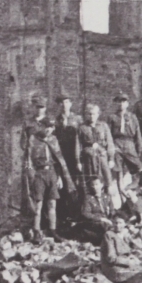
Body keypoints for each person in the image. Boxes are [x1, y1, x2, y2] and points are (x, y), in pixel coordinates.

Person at [25, 119, 75, 241]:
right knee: (38, 204)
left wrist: (58, 177)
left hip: (52, 173)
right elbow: (28, 159)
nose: (48, 129)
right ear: (41, 126)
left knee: (52, 203)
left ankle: (53, 231)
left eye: (51, 127)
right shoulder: (33, 139)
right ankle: (37, 231)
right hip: (39, 173)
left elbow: (58, 160)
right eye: (46, 126)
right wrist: (32, 176)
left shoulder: (53, 139)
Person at [108, 93, 142, 202]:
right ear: (115, 103)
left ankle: (135, 193)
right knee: (118, 172)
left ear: (127, 103)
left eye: (124, 101)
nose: (121, 104)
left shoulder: (132, 117)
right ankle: (122, 197)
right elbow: (108, 135)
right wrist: (111, 149)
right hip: (117, 144)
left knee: (139, 168)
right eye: (119, 101)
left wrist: (139, 150)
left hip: (129, 144)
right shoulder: (112, 117)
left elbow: (138, 134)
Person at [54, 94, 82, 226]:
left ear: (70, 104)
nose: (63, 105)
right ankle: (63, 216)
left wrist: (79, 159)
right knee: (62, 185)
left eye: (66, 102)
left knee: (75, 183)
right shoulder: (56, 120)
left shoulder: (77, 119)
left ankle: (76, 214)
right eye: (61, 103)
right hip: (61, 156)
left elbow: (81, 138)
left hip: (74, 156)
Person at [77, 103, 115, 196]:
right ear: (86, 114)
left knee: (107, 181)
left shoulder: (103, 126)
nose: (92, 116)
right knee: (91, 183)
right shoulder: (82, 128)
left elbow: (109, 143)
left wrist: (111, 158)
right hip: (88, 159)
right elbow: (77, 146)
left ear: (98, 114)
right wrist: (78, 161)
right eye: (89, 114)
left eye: (94, 114)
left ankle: (108, 206)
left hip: (102, 157)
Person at [71, 176, 113, 244]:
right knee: (103, 227)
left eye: (96, 184)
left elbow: (112, 210)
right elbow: (85, 213)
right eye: (92, 185)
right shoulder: (88, 198)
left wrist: (110, 215)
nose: (94, 187)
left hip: (107, 221)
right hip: (95, 222)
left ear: (102, 184)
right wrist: (101, 219)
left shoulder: (107, 197)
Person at [100, 215, 137, 283]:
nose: (117, 225)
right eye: (115, 223)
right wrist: (128, 262)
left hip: (122, 264)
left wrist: (133, 258)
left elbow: (129, 251)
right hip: (112, 268)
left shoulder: (123, 235)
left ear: (125, 224)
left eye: (120, 223)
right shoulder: (109, 235)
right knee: (141, 272)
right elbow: (111, 258)